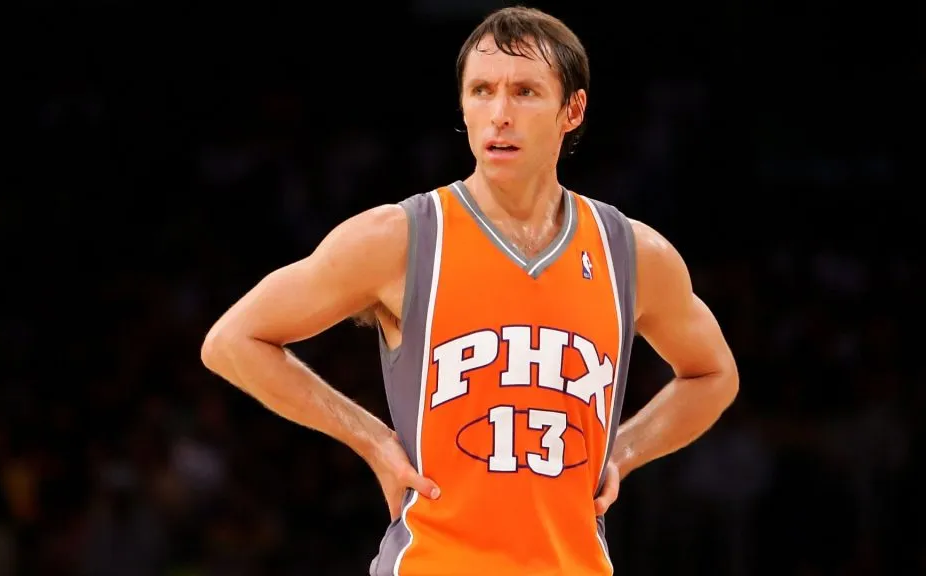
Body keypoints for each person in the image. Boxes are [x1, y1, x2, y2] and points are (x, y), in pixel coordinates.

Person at [201, 6, 739, 575]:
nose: (499, 115)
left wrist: (624, 453)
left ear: (572, 110)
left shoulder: (629, 252)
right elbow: (233, 341)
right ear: (462, 105)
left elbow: (713, 374)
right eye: (482, 91)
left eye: (526, 92)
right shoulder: (400, 238)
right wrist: (371, 440)